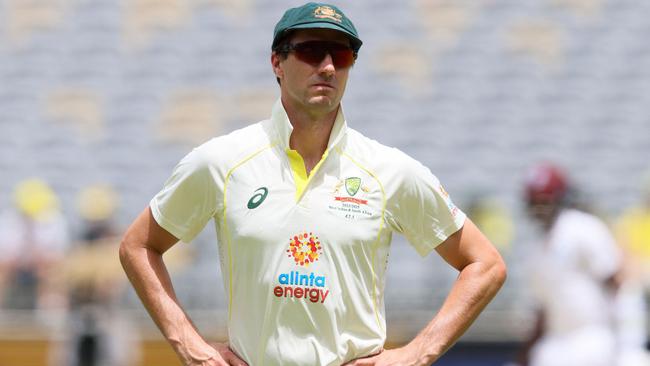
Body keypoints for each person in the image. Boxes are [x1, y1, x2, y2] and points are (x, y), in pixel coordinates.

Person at [119, 3, 507, 365]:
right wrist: (190, 346)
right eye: (311, 52)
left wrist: (418, 353)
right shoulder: (222, 161)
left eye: (341, 56)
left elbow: (485, 264)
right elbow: (138, 246)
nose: (327, 67)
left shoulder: (389, 169)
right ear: (277, 62)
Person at [516, 163, 625, 366]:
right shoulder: (535, 249)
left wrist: (625, 339)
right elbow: (542, 309)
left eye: (545, 201)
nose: (540, 209)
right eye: (535, 202)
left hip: (592, 335)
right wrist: (524, 355)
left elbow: (615, 280)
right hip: (555, 342)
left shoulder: (583, 228)